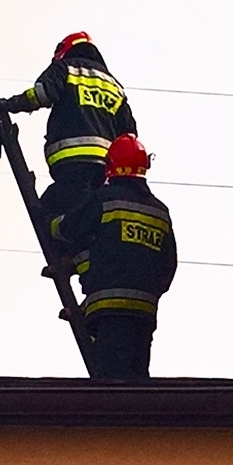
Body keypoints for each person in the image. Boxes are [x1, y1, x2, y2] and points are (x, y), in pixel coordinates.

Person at [56, 133, 176, 380]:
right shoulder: (160, 212)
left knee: (112, 385)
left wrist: (49, 222)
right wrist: (149, 292)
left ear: (110, 167)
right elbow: (168, 266)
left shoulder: (104, 199)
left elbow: (69, 228)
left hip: (108, 310)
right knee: (137, 382)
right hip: (144, 313)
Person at [0, 32, 138, 229]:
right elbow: (129, 133)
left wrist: (12, 103)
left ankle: (64, 242)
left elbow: (42, 94)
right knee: (89, 211)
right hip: (105, 168)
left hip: (72, 161)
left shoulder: (65, 68)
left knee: (63, 214)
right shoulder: (114, 85)